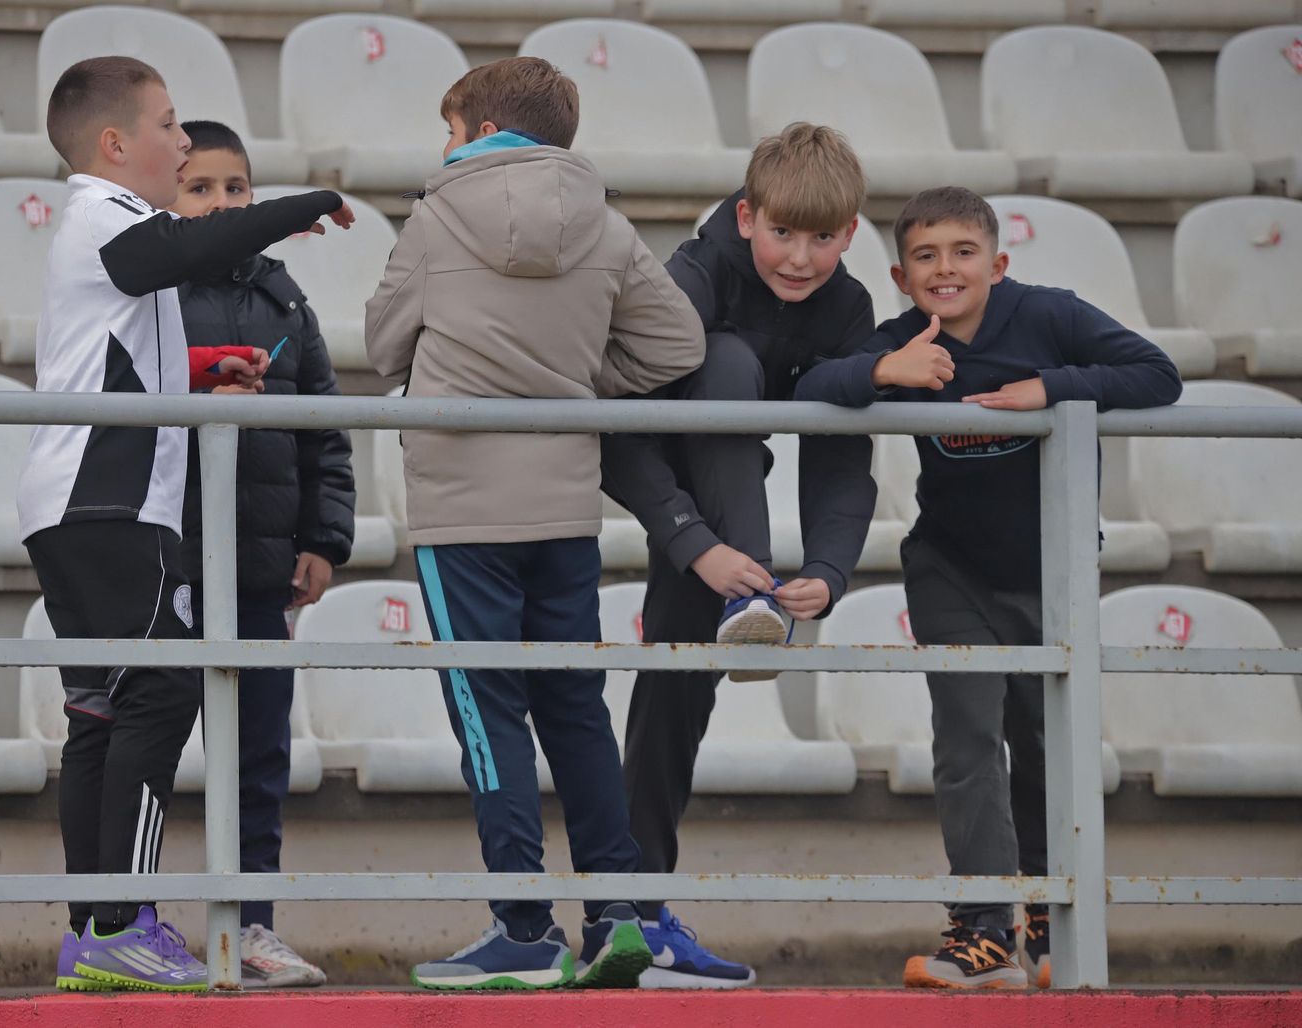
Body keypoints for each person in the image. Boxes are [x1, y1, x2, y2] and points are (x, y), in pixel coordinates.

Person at [365, 56, 706, 991]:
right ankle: (616, 914)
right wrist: (578, 391)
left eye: (450, 128)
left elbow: (382, 344)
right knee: (574, 710)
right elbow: (678, 345)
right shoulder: (606, 220)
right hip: (564, 506)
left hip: (461, 506)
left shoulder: (436, 216)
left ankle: (522, 929)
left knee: (489, 714)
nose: (444, 146)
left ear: (478, 130)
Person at [16, 55, 353, 993]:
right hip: (109, 499)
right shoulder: (104, 215)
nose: (183, 140)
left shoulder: (106, 226)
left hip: (81, 500)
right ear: (115, 144)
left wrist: (198, 375)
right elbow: (181, 254)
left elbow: (112, 354)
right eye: (169, 126)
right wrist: (302, 204)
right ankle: (126, 920)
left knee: (98, 713)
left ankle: (93, 931)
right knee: (162, 691)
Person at [794, 185, 1182, 989]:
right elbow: (807, 388)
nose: (946, 269)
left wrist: (1055, 390)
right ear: (902, 278)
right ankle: (982, 925)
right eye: (926, 257)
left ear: (997, 264)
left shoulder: (1049, 317)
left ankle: (1046, 912)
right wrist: (881, 368)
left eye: (963, 253)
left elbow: (1158, 374)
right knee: (968, 738)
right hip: (949, 567)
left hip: (1052, 568)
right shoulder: (904, 335)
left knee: (1045, 742)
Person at [599, 123, 878, 987]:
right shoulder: (691, 276)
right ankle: (621, 915)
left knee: (672, 714)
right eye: (783, 234)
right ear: (747, 215)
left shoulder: (849, 307)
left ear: (852, 233)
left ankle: (635, 919)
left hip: (734, 522)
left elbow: (841, 458)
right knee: (723, 357)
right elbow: (616, 430)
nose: (800, 258)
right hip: (674, 496)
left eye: (823, 239)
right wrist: (695, 545)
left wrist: (829, 571)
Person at [167, 118, 356, 989]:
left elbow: (324, 428)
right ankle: (133, 924)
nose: (220, 203)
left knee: (257, 762)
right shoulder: (149, 293)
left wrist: (324, 538)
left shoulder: (287, 301)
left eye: (235, 188)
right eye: (199, 187)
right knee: (152, 747)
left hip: (258, 570)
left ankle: (252, 928)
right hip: (168, 569)